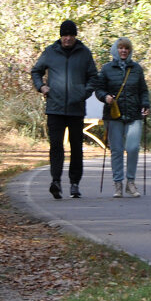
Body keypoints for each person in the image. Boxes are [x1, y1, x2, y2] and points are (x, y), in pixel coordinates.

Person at [31, 19, 98, 199]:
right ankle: (56, 181)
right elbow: (36, 71)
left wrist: (85, 92)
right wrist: (41, 87)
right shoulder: (50, 52)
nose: (67, 38)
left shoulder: (84, 53)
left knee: (77, 148)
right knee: (56, 147)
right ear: (60, 36)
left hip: (76, 109)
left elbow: (93, 76)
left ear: (75, 36)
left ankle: (75, 184)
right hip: (55, 108)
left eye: (70, 35)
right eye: (64, 35)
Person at [91, 37, 151, 198]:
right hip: (113, 115)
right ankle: (118, 183)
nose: (124, 51)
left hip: (134, 114)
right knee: (116, 150)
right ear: (115, 50)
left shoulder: (136, 68)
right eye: (121, 48)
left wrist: (146, 105)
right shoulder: (106, 69)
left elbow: (143, 90)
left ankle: (130, 182)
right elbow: (98, 89)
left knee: (132, 148)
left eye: (127, 48)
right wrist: (105, 97)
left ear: (130, 51)